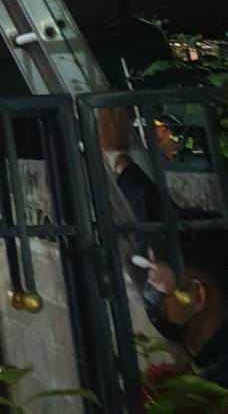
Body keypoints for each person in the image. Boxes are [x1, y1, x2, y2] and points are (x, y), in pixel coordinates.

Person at [97, 106, 228, 387]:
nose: (150, 287)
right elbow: (161, 216)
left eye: (155, 279)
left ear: (195, 295)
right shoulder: (213, 357)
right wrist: (118, 158)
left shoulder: (217, 388)